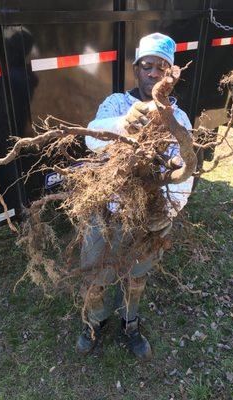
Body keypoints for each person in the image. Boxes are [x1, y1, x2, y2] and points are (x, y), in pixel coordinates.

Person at [76, 33, 194, 360]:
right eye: (148, 66)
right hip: (106, 211)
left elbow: (184, 174)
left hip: (150, 216)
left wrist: (168, 212)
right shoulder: (116, 104)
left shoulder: (179, 119)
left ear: (170, 74)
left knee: (137, 275)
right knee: (95, 276)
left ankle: (131, 324)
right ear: (136, 69)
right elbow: (91, 138)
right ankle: (94, 324)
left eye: (162, 67)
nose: (154, 74)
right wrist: (122, 126)